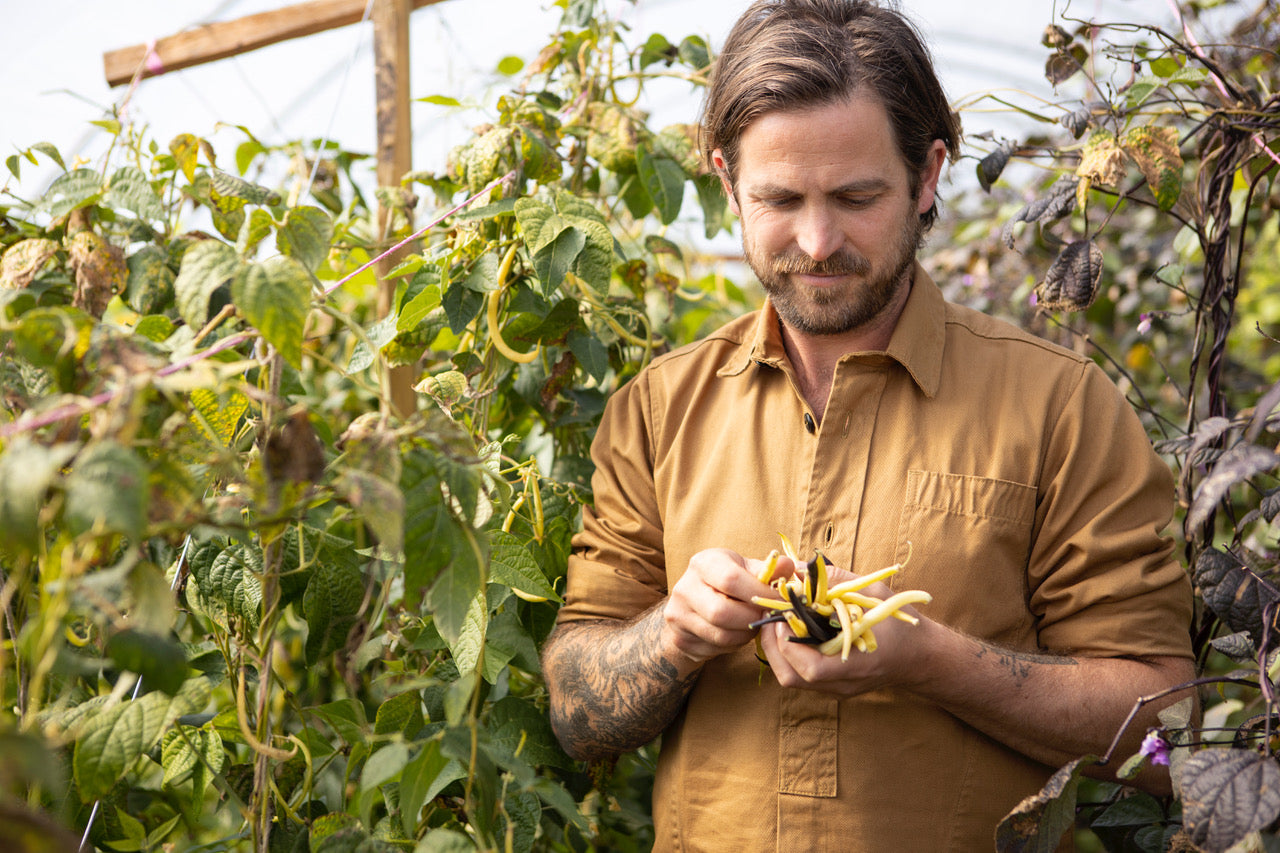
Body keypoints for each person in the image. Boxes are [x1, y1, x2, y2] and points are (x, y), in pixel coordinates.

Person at [540, 1, 1196, 849]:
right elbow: (575, 711)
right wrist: (672, 633)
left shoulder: (1060, 406)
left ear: (927, 176)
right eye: (779, 198)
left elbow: (1166, 729)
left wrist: (928, 658)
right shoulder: (661, 409)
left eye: (857, 197)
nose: (817, 242)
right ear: (726, 180)